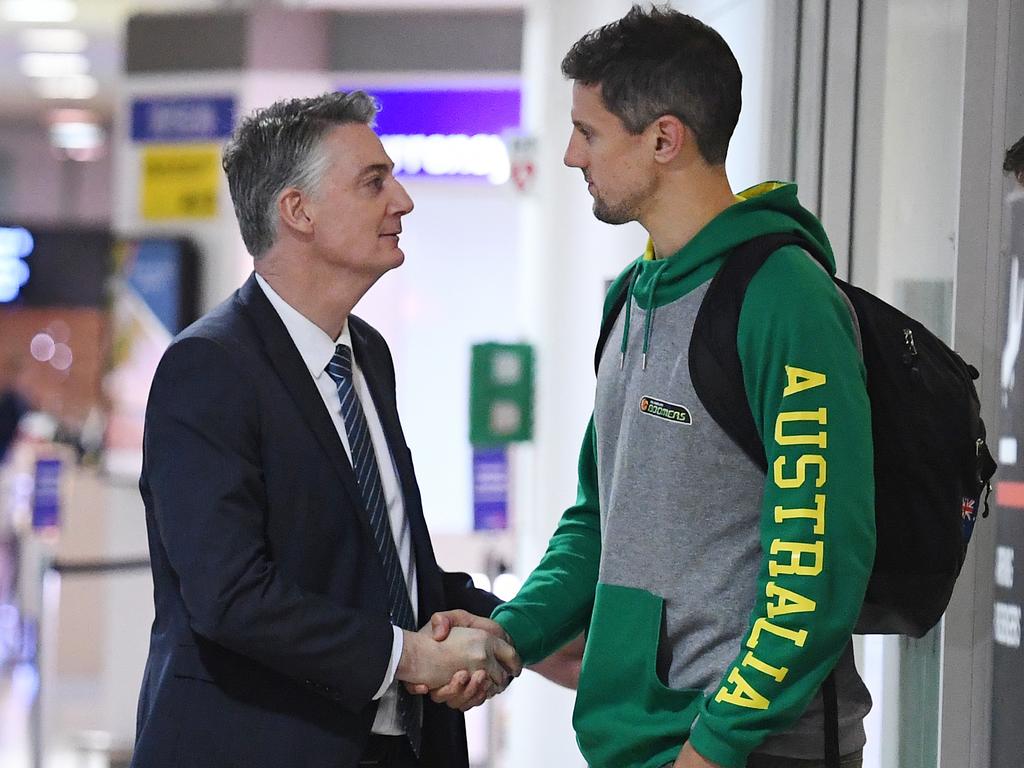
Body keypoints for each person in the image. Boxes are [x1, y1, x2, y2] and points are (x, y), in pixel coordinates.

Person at [428, 6, 875, 768]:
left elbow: (816, 560)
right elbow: (600, 518)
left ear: (665, 139)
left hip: (748, 749)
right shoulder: (633, 295)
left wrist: (717, 742)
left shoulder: (783, 298)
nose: (571, 155)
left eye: (590, 132)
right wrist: (511, 632)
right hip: (636, 741)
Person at [131, 91, 522, 768]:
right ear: (298, 211)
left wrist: (517, 627)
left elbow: (390, 566)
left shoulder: (367, 354)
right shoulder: (209, 369)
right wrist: (409, 656)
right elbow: (231, 596)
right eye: (374, 182)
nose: (402, 200)